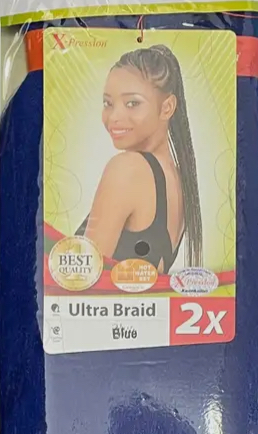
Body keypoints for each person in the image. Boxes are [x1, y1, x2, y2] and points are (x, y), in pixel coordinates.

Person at [79, 44, 203, 273]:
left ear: (167, 107)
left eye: (132, 103)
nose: (114, 117)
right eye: (108, 103)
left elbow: (84, 279)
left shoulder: (128, 169)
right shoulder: (179, 180)